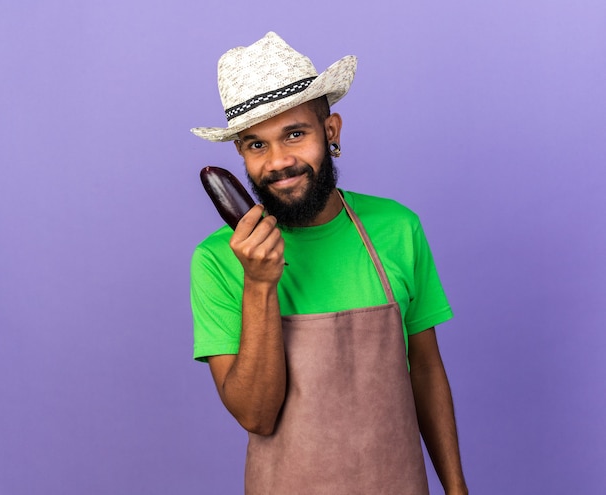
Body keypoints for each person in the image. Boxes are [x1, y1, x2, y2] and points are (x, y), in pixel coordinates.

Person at [190, 32, 468, 495]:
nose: (278, 161)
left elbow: (425, 368)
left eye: (294, 134)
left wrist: (456, 489)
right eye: (256, 145)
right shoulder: (218, 259)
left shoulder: (397, 228)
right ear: (240, 154)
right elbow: (256, 415)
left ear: (331, 131)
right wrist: (259, 283)